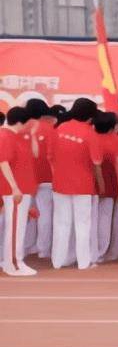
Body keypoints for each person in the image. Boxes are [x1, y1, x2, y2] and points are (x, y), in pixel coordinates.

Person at [51, 98, 103, 270]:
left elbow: (50, 156)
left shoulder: (60, 128)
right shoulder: (90, 133)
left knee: (61, 223)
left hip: (60, 184)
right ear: (89, 116)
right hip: (83, 185)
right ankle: (83, 262)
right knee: (83, 224)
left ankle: (58, 261)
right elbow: (97, 161)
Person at [1, 107, 39, 275]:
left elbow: (34, 155)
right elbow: (3, 162)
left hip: (23, 188)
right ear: (19, 122)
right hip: (16, 191)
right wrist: (14, 187)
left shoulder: (18, 136)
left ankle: (10, 261)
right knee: (15, 227)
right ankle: (14, 264)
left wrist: (33, 135)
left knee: (17, 227)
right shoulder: (5, 136)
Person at [22, 98, 55, 256]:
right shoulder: (49, 129)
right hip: (46, 178)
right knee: (44, 214)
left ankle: (26, 246)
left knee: (27, 213)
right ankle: (43, 249)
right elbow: (53, 155)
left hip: (25, 178)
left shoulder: (21, 127)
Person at [91, 111, 118, 263]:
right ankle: (102, 251)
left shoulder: (91, 138)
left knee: (93, 219)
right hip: (110, 184)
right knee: (107, 219)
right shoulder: (117, 140)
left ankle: (94, 251)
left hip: (90, 184)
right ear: (113, 126)